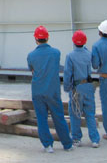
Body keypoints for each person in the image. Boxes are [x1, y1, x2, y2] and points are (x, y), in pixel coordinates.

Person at [27, 25, 73, 153]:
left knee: (41, 119)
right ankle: (67, 144)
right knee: (59, 117)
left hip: (38, 91)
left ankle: (47, 145)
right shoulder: (56, 53)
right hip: (53, 91)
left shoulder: (31, 55)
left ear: (36, 39)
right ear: (47, 38)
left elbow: (32, 69)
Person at [63, 30, 100, 148]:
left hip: (76, 87)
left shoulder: (70, 56)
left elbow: (67, 73)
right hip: (88, 86)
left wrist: (67, 87)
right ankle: (95, 139)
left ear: (73, 41)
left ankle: (76, 138)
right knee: (90, 113)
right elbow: (95, 64)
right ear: (85, 41)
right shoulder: (89, 54)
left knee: (75, 113)